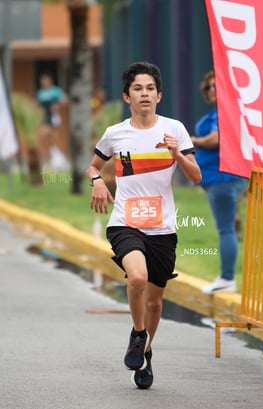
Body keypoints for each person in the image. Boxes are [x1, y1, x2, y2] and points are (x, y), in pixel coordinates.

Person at [86, 61, 201, 389]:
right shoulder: (115, 134)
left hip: (162, 228)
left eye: (150, 88)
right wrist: (97, 180)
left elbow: (196, 176)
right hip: (125, 222)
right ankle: (138, 334)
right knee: (136, 277)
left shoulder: (175, 129)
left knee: (154, 300)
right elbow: (93, 166)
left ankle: (146, 350)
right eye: (138, 88)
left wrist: (178, 154)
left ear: (159, 95)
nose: (145, 94)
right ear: (127, 96)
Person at [191, 70, 247, 295]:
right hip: (219, 178)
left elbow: (215, 139)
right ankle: (226, 277)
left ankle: (226, 278)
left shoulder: (223, 113)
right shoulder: (221, 112)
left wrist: (193, 141)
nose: (213, 90)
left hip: (222, 177)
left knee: (225, 230)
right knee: (226, 227)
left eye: (217, 85)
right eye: (209, 87)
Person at [36, 73, 69, 169]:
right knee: (43, 136)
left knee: (55, 136)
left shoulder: (56, 91)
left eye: (45, 80)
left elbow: (65, 101)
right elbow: (37, 104)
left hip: (54, 116)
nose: (44, 82)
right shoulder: (41, 93)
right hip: (44, 117)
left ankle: (58, 156)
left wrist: (57, 106)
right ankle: (53, 154)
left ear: (50, 81)